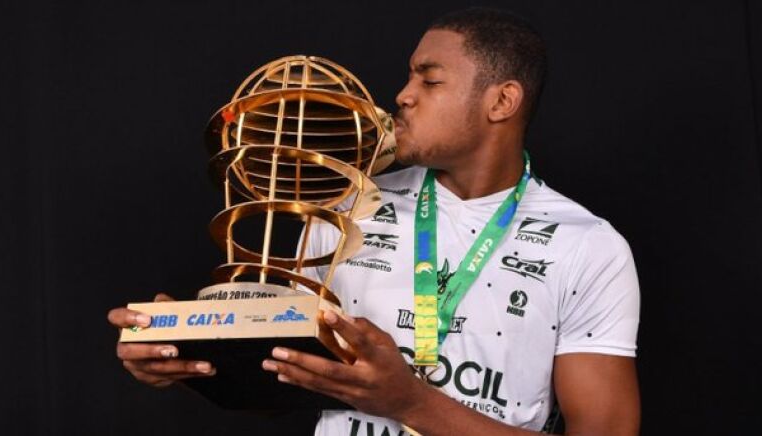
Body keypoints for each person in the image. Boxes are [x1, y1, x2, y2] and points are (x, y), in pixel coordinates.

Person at [108, 7, 640, 435]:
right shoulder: (347, 209)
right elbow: (289, 378)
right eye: (409, 77)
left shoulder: (587, 247)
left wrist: (410, 402)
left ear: (502, 101)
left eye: (429, 80)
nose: (403, 95)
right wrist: (189, 352)